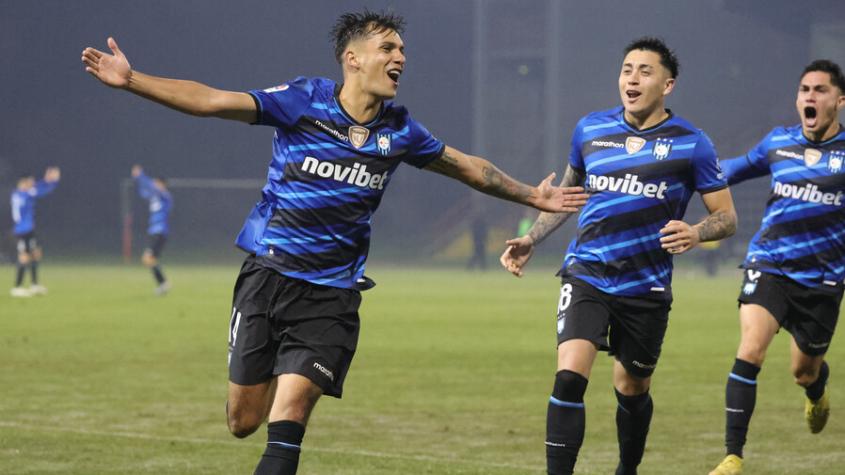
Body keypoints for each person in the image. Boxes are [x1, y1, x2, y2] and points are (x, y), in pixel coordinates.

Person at [82, 11, 588, 475]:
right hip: (267, 277)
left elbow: (466, 166)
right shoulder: (303, 101)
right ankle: (277, 370)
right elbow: (214, 101)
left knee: (291, 414)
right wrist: (133, 81)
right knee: (243, 420)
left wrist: (531, 195)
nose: (400, 59)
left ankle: (297, 374)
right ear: (353, 58)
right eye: (388, 48)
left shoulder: (400, 131)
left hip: (331, 296)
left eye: (403, 51)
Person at [499, 37, 737, 475]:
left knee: (632, 387)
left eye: (645, 71)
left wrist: (696, 231)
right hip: (587, 272)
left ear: (668, 85)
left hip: (645, 285)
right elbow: (567, 199)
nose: (632, 78)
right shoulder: (590, 129)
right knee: (569, 377)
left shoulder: (692, 143)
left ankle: (627, 469)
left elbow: (726, 218)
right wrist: (532, 238)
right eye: (627, 69)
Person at [707, 60, 845, 475]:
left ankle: (817, 390)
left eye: (820, 90)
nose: (810, 97)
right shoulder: (777, 144)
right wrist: (683, 172)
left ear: (839, 101)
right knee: (751, 349)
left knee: (804, 371)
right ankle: (733, 455)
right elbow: (727, 170)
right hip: (770, 265)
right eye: (805, 89)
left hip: (822, 279)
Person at [10, 167, 60, 297]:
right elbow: (41, 191)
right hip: (23, 230)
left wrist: (45, 180)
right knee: (24, 256)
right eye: (30, 182)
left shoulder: (18, 193)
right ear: (24, 182)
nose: (32, 183)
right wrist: (52, 181)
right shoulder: (25, 195)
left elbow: (36, 187)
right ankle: (17, 287)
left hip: (27, 229)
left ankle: (34, 285)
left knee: (36, 253)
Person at [132, 165, 172, 295]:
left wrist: (140, 175)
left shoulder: (165, 195)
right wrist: (138, 180)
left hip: (160, 232)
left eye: (157, 182)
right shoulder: (155, 196)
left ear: (162, 184)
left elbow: (151, 187)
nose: (154, 184)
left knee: (148, 258)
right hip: (154, 231)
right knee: (149, 259)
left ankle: (163, 284)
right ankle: (163, 284)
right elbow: (143, 192)